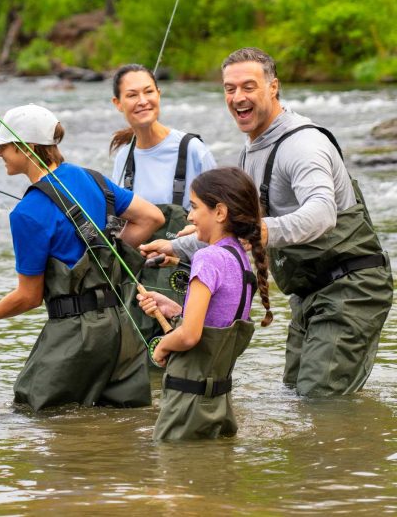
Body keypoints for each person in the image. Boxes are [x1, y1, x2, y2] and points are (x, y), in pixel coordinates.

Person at [142, 47, 393, 397]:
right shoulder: (251, 147)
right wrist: (174, 247)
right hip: (309, 293)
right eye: (230, 89)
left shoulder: (303, 145)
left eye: (249, 87)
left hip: (351, 287)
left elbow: (322, 212)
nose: (238, 97)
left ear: (273, 88)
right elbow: (234, 229)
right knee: (294, 394)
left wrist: (261, 230)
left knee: (322, 400)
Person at [0, 104, 165, 411]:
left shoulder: (27, 213)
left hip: (76, 335)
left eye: (3, 147)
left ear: (29, 149)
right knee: (121, 418)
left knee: (32, 411)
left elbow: (29, 297)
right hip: (122, 328)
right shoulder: (90, 177)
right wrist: (108, 254)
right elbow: (151, 218)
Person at [137, 167, 273, 440]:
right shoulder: (238, 259)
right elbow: (218, 322)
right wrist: (173, 309)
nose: (189, 216)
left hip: (187, 404)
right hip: (219, 404)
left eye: (195, 207)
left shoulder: (208, 258)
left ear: (220, 212)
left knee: (173, 472)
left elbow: (189, 336)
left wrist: (162, 347)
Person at [109, 63, 217, 343]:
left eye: (148, 92)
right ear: (118, 103)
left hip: (189, 278)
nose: (143, 101)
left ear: (159, 94)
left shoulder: (191, 150)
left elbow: (223, 221)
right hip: (141, 284)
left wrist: (186, 237)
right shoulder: (124, 157)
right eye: (132, 95)